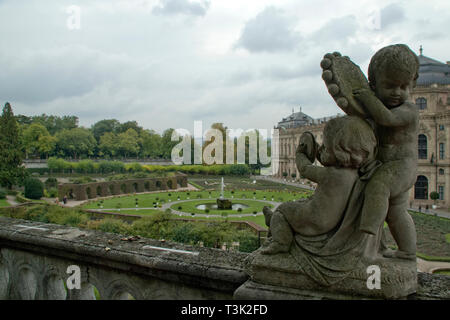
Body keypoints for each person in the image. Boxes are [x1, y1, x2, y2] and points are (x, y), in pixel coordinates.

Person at [261, 116, 377, 254]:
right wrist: (316, 151)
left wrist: (300, 153)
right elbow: (328, 160)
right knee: (302, 201)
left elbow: (304, 168)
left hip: (316, 219)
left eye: (325, 147)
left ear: (338, 151)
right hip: (333, 221)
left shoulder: (330, 174)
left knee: (283, 210)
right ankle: (273, 219)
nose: (322, 150)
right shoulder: (355, 173)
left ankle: (281, 241)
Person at [353, 44, 419, 260]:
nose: (397, 92)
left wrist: (367, 98)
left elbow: (387, 119)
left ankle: (367, 237)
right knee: (396, 212)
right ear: (375, 84)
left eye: (403, 86)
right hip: (387, 166)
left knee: (378, 187)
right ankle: (408, 251)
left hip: (402, 166)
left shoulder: (408, 110)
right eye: (390, 86)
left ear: (412, 84)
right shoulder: (379, 109)